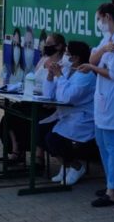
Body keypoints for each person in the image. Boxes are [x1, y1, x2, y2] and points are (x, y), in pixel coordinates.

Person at [79, 0, 114, 207]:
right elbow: (93, 58)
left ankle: (113, 192)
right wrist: (101, 52)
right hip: (104, 99)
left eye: (99, 18)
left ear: (108, 18)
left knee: (112, 144)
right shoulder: (107, 39)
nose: (98, 22)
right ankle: (113, 183)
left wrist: (93, 68)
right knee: (101, 141)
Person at [0, 32, 67, 163]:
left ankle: (39, 156)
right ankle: (16, 150)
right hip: (33, 98)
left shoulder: (62, 64)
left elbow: (60, 86)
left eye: (49, 44)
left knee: (38, 119)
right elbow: (33, 78)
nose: (45, 47)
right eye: (45, 44)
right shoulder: (44, 60)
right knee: (11, 113)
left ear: (59, 46)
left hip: (48, 103)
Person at [44, 40, 96, 186]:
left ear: (76, 57)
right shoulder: (68, 69)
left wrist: (59, 76)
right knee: (44, 133)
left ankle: (76, 167)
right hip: (68, 116)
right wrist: (50, 76)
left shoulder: (86, 75)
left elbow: (67, 97)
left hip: (83, 119)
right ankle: (66, 166)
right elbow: (50, 94)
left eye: (67, 54)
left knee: (53, 139)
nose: (64, 56)